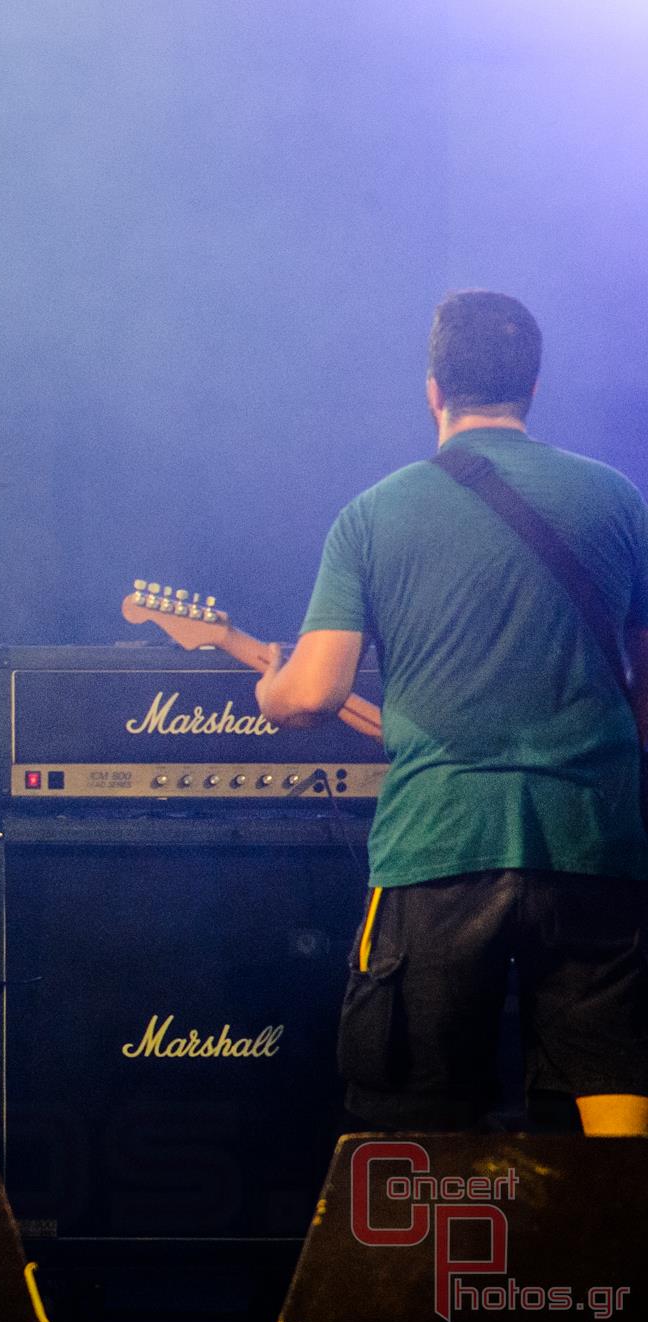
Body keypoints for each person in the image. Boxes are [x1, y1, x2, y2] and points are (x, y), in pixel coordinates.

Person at [257, 289, 648, 1135]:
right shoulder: (619, 500)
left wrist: (269, 687)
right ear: (532, 387)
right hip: (594, 841)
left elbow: (314, 693)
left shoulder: (374, 513)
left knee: (417, 1115)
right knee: (608, 1094)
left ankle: (435, 1229)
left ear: (433, 389)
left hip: (438, 845)